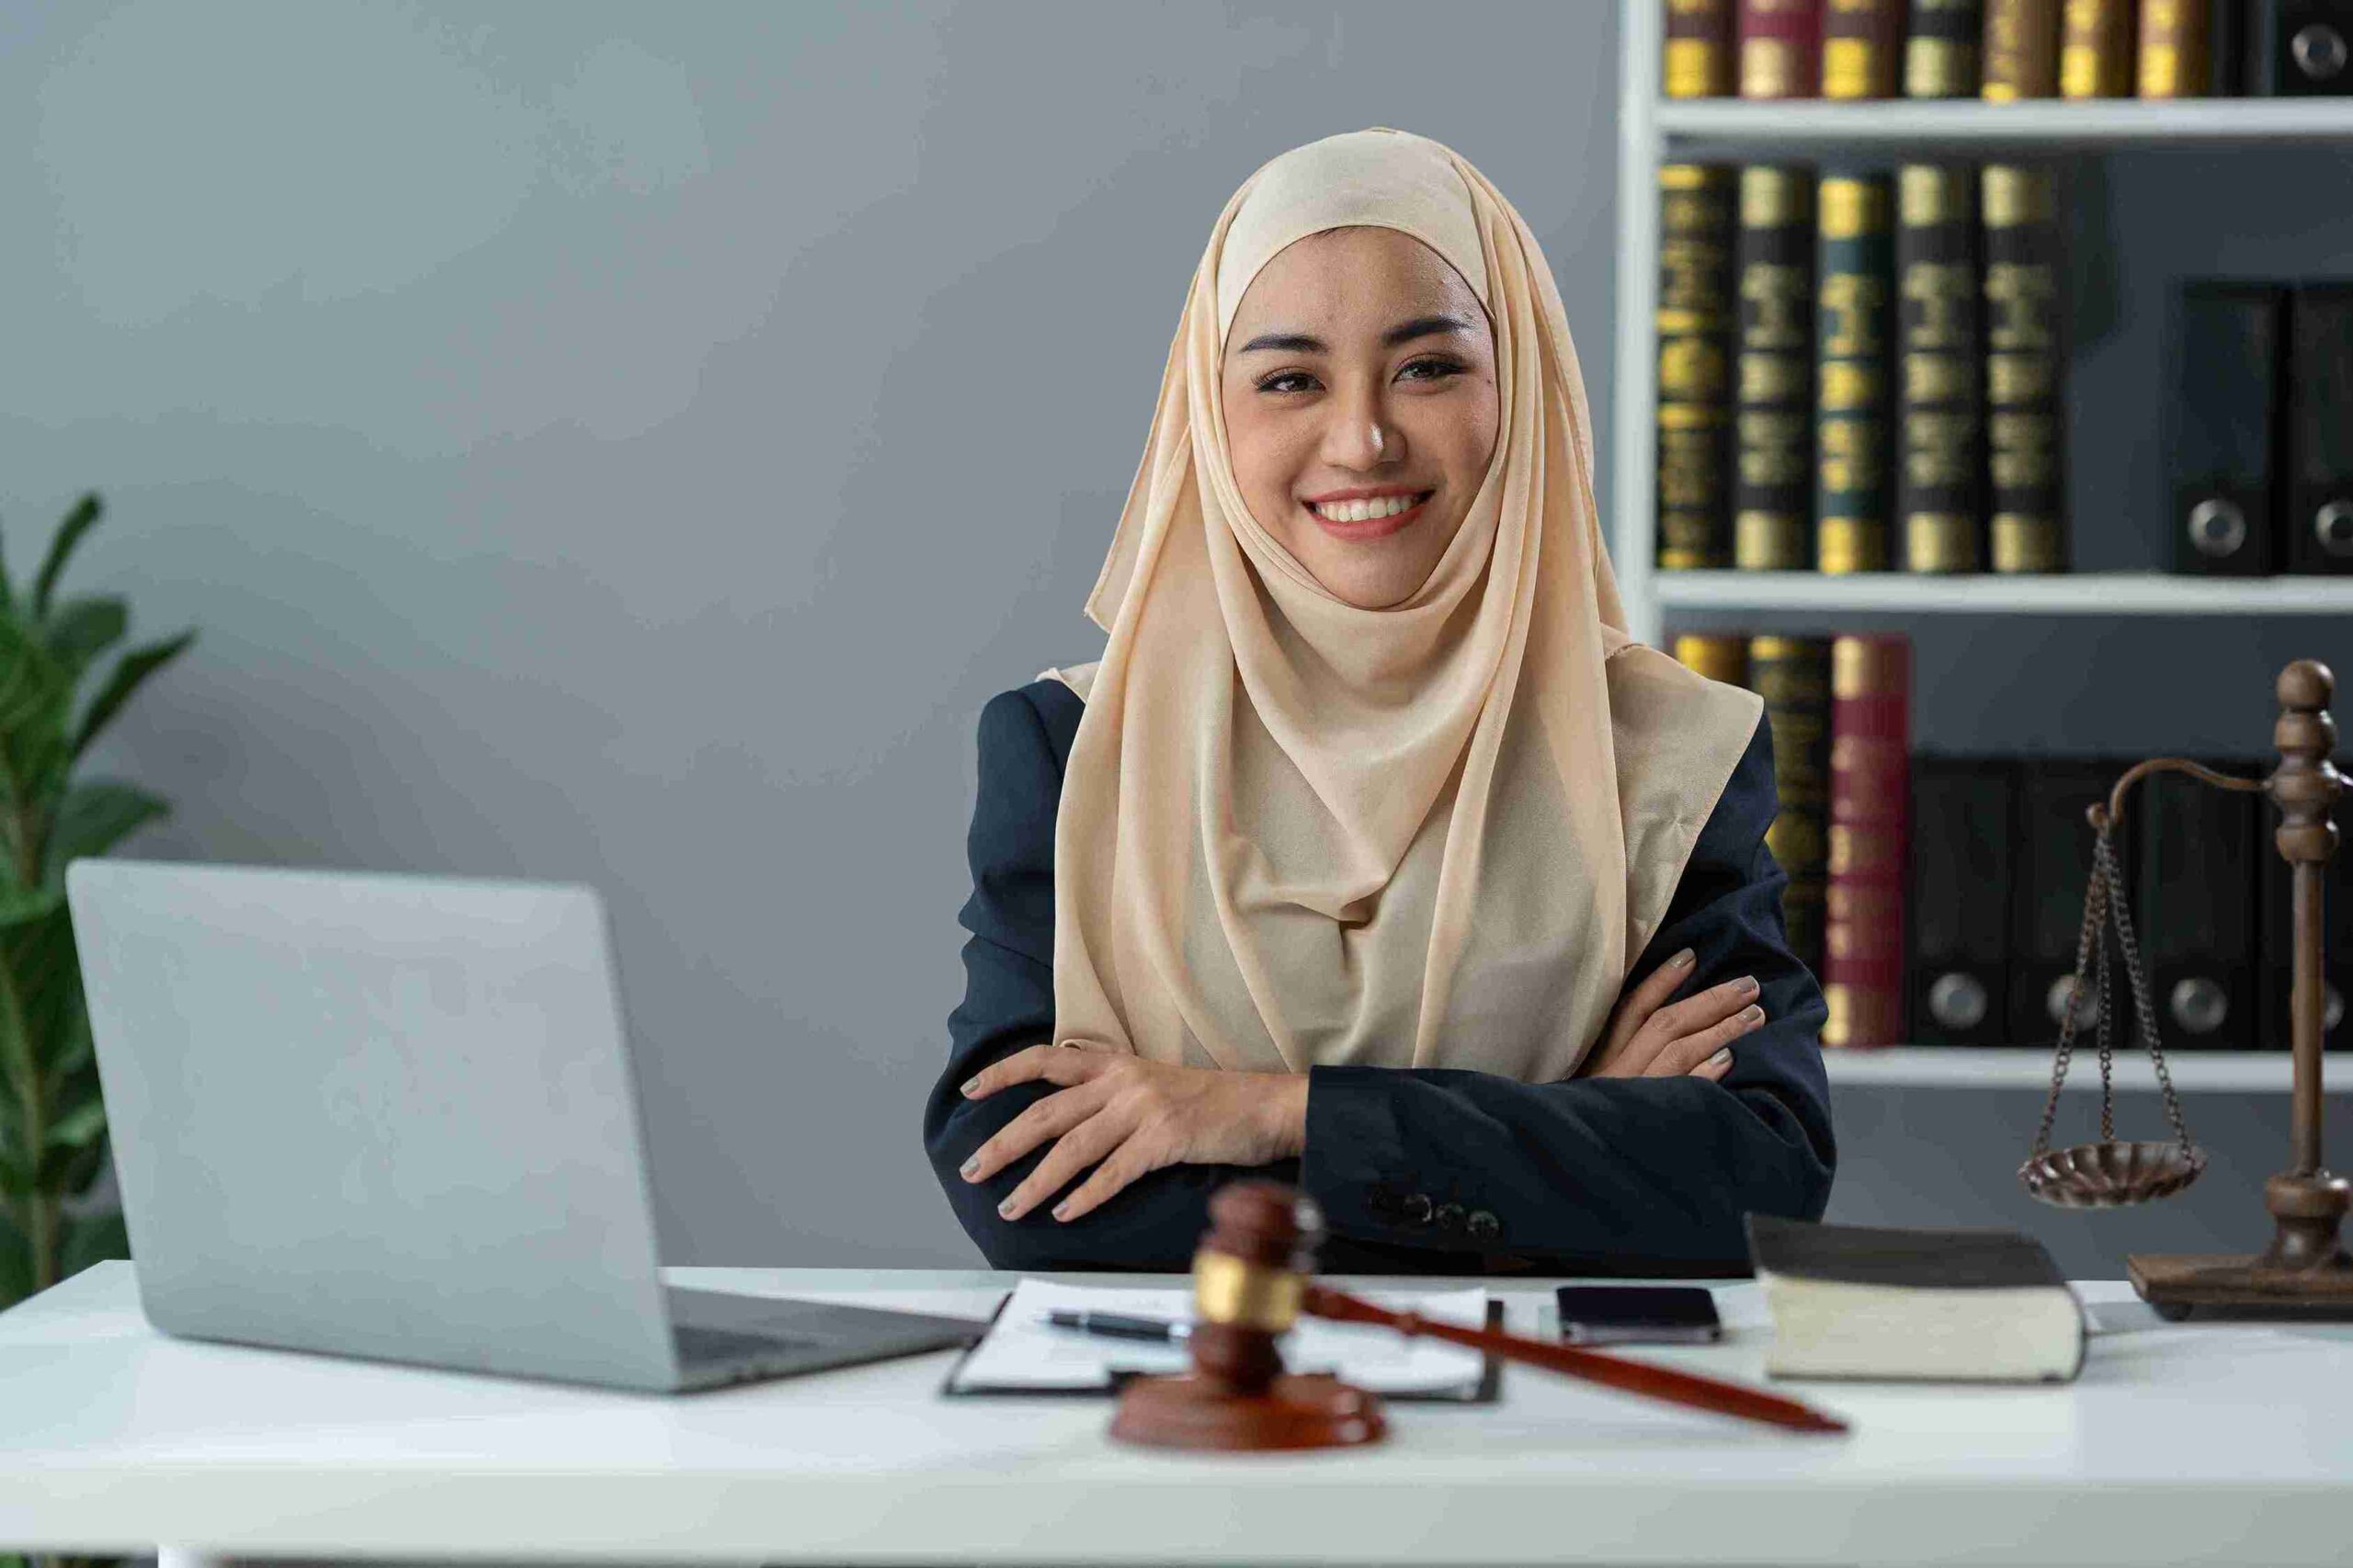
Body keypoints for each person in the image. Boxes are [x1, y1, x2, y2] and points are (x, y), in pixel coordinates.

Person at [921, 128, 1832, 1277]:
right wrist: (1562, 1134)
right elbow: (1019, 1184)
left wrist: (1268, 1110)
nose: (1361, 441)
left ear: (1521, 388)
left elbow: (1761, 1181)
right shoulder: (1077, 749)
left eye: (1428, 367)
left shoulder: (1660, 756)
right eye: (1289, 380)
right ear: (1209, 414)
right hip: (1196, 1386)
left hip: (1537, 1392)